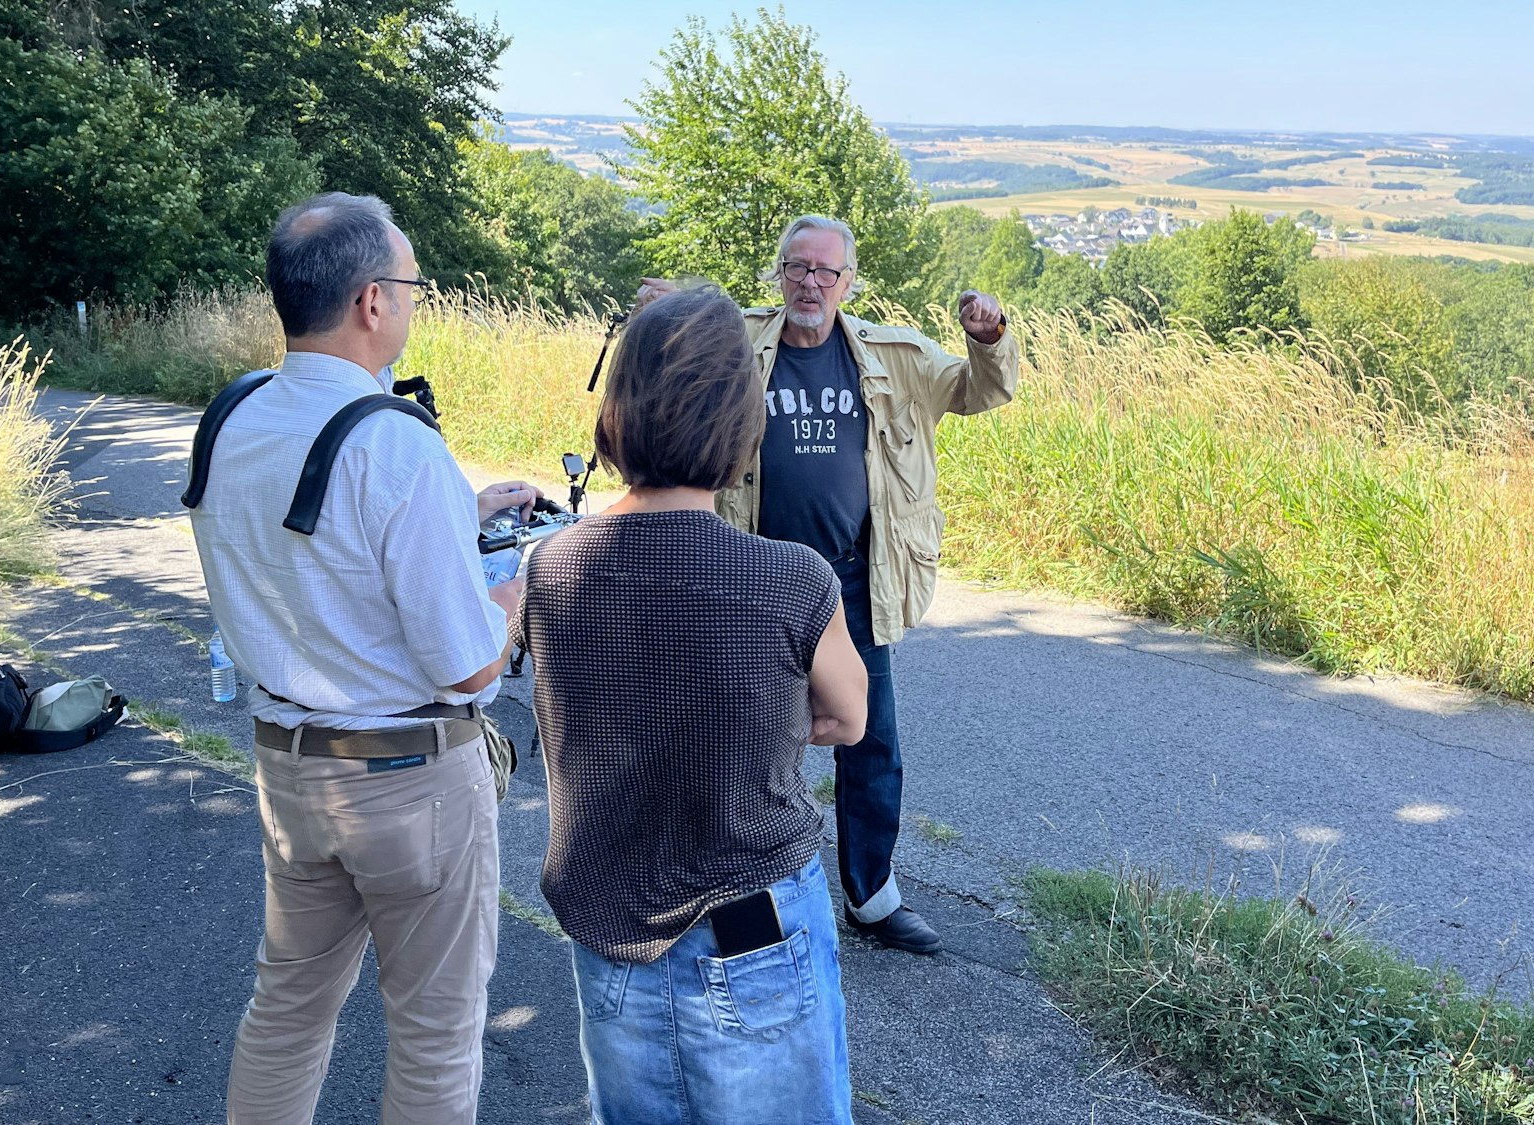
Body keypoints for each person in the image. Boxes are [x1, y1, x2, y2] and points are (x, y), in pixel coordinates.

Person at [189, 191, 538, 1124]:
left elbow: (305, 548)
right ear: (372, 301)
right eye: (415, 284)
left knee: (287, 1010)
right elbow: (469, 668)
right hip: (412, 784)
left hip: (289, 773)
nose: (418, 302)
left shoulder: (233, 418)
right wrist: (522, 586)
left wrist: (459, 521)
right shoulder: (398, 445)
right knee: (434, 1035)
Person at [512, 284, 869, 1124]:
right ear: (741, 425)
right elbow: (847, 718)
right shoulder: (791, 578)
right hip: (756, 930)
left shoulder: (552, 569)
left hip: (607, 936)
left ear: (617, 414)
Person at [637, 215, 1019, 955]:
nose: (810, 283)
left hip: (853, 580)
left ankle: (872, 898)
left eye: (825, 271)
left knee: (871, 741)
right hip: (752, 576)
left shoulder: (895, 356)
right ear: (777, 273)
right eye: (797, 268)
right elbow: (667, 372)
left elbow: (979, 390)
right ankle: (733, 900)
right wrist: (665, 320)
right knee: (740, 739)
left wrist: (990, 332)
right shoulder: (736, 339)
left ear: (848, 281)